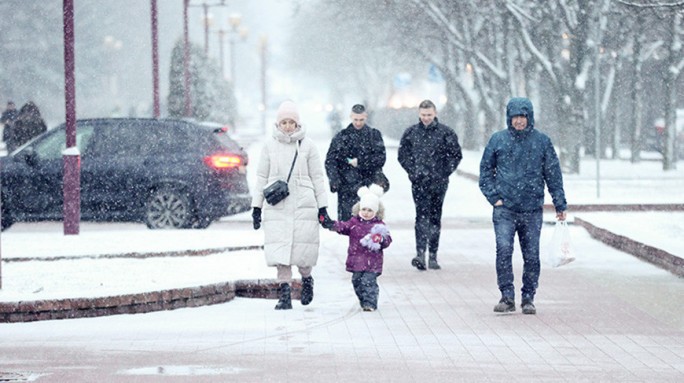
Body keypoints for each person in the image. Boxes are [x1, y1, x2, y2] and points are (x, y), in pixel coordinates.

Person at [478, 97, 567, 315]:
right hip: (505, 209)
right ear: (509, 118)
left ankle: (528, 297)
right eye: (515, 117)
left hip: (532, 209)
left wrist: (560, 204)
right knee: (504, 250)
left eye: (523, 117)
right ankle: (507, 296)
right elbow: (485, 172)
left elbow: (553, 175)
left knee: (531, 255)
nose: (519, 121)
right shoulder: (498, 140)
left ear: (530, 118)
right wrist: (494, 198)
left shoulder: (542, 142)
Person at [251, 100, 332, 310]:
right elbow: (261, 176)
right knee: (281, 254)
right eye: (284, 122)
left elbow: (317, 178)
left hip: (304, 204)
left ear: (297, 124)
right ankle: (284, 296)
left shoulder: (308, 145)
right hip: (277, 206)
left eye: (291, 122)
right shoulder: (269, 146)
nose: (287, 126)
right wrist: (256, 207)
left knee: (303, 253)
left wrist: (323, 207)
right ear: (278, 123)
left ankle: (307, 281)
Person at [398, 99, 462, 271]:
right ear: (419, 114)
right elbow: (403, 155)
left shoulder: (445, 133)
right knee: (421, 216)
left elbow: (456, 155)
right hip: (419, 182)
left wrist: (444, 172)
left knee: (435, 217)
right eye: (423, 115)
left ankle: (433, 254)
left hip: (439, 182)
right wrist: (413, 172)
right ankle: (420, 253)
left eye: (429, 115)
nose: (426, 118)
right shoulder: (411, 133)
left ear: (435, 114)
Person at [320, 184, 392, 312]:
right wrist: (330, 224)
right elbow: (343, 227)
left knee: (368, 282)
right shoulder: (354, 223)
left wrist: (380, 239)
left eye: (370, 210)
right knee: (357, 281)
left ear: (376, 212)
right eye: (364, 209)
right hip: (356, 260)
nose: (366, 213)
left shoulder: (379, 226)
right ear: (359, 209)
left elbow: (387, 240)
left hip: (372, 261)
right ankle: (363, 300)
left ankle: (370, 303)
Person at [325, 104, 387, 221]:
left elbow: (381, 158)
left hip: (368, 186)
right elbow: (330, 160)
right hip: (346, 186)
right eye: (356, 120)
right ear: (351, 117)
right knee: (348, 225)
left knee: (369, 224)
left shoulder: (374, 135)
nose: (358, 123)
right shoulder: (341, 136)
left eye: (361, 120)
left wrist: (360, 162)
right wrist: (334, 179)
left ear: (366, 117)